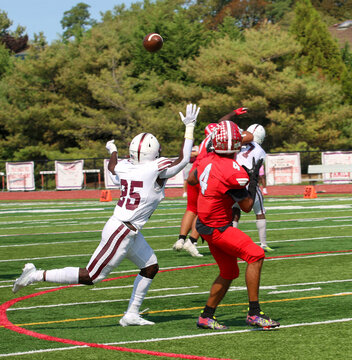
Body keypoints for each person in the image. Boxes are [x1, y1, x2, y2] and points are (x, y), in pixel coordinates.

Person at [12, 103, 201, 327]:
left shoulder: (124, 166)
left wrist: (112, 150)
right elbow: (183, 159)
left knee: (150, 266)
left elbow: (112, 166)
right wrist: (189, 128)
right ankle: (35, 275)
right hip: (122, 229)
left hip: (127, 228)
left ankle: (131, 313)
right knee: (92, 276)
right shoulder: (154, 168)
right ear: (154, 152)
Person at [188, 120, 280, 330]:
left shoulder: (206, 158)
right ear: (237, 145)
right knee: (256, 254)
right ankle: (254, 313)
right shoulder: (233, 170)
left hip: (204, 225)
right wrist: (253, 180)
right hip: (218, 228)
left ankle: (206, 316)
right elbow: (247, 206)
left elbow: (192, 180)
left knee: (229, 272)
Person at [173, 107, 250, 257]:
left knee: (191, 208)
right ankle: (192, 241)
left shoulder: (205, 141)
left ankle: (181, 239)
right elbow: (249, 136)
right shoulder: (221, 141)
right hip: (210, 171)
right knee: (208, 208)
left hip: (198, 171)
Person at [232, 124, 274, 252]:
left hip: (234, 182)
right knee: (260, 211)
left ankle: (232, 242)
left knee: (234, 210)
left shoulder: (237, 144)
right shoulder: (261, 150)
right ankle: (263, 243)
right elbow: (257, 169)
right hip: (249, 184)